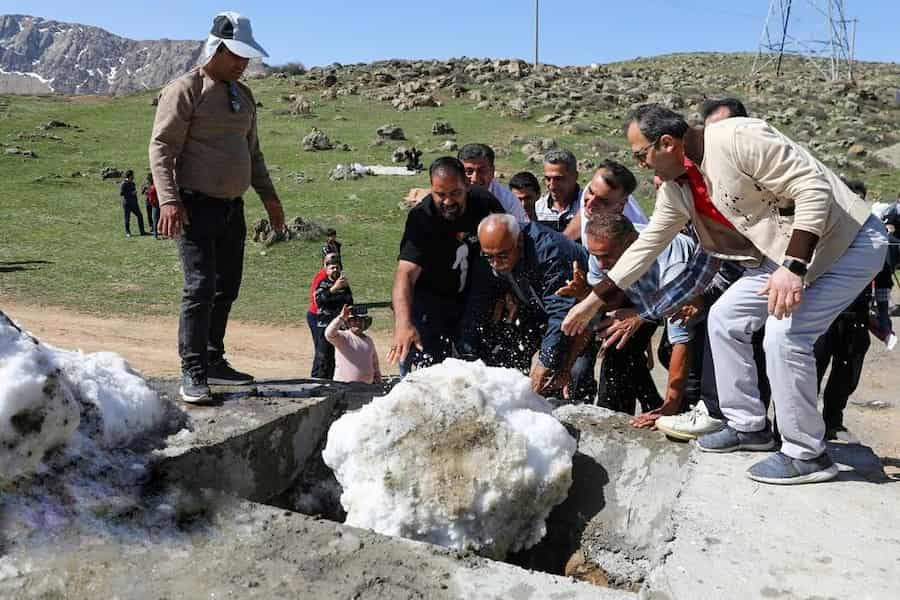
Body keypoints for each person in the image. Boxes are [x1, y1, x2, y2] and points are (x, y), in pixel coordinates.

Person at [563, 104, 887, 485]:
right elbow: (646, 244)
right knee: (725, 318)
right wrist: (594, 300)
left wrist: (794, 267)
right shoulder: (678, 187)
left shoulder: (738, 137)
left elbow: (812, 187)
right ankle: (748, 425)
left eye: (641, 154)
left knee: (787, 335)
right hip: (786, 258)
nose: (641, 165)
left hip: (848, 242)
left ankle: (807, 453)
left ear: (666, 143)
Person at [149, 11, 286, 403]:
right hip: (194, 206)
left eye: (247, 57)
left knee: (227, 287)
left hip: (232, 208)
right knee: (200, 287)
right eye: (238, 56)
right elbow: (161, 148)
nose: (244, 64)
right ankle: (192, 370)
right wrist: (170, 200)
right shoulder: (186, 89)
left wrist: (270, 199)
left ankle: (213, 359)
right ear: (218, 48)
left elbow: (253, 153)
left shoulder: (243, 95)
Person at [580, 213, 707, 424]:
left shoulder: (672, 263)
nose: (601, 264)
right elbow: (610, 300)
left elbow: (682, 340)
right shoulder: (601, 250)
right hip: (644, 300)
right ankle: (618, 418)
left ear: (632, 243)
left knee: (671, 356)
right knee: (617, 344)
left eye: (607, 257)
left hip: (694, 304)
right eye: (596, 256)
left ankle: (682, 415)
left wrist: (670, 406)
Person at [459, 213, 595, 400]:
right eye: (489, 257)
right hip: (537, 308)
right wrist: (467, 354)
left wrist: (545, 362)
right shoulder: (492, 250)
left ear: (520, 242)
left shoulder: (551, 252)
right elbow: (477, 302)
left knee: (572, 375)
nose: (496, 264)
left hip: (587, 312)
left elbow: (562, 314)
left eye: (503, 256)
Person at [387, 157, 505, 370]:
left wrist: (508, 293)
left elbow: (508, 248)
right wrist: (403, 324)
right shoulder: (422, 217)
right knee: (427, 364)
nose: (448, 201)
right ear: (431, 189)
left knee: (474, 360)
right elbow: (405, 273)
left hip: (471, 295)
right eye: (440, 194)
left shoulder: (484, 203)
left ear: (467, 185)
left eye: (455, 193)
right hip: (429, 299)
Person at [562, 160, 648, 242]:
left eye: (602, 201)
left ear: (620, 207)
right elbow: (582, 215)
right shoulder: (595, 189)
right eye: (591, 192)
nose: (589, 204)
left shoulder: (630, 239)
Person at [457, 143, 529, 223]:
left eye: (482, 171)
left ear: (492, 171)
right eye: (469, 171)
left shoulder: (508, 201)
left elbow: (521, 231)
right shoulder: (448, 195)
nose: (475, 179)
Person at [315, 254, 353, 379]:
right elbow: (319, 300)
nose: (335, 270)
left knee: (340, 357)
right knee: (325, 357)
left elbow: (349, 301)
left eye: (337, 267)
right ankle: (321, 382)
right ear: (327, 270)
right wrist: (334, 288)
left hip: (340, 327)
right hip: (325, 326)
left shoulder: (344, 285)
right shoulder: (323, 283)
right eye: (332, 268)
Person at [325, 304, 381, 384]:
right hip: (344, 386)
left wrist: (377, 377)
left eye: (361, 320)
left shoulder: (369, 340)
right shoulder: (343, 337)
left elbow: (374, 362)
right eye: (354, 320)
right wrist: (341, 318)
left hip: (367, 387)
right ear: (348, 323)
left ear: (366, 323)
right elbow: (329, 334)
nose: (357, 322)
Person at [534, 149, 581, 232]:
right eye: (548, 179)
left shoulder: (588, 207)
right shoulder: (538, 209)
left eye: (558, 179)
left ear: (575, 176)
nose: (552, 186)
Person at [307, 254, 332, 378]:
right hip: (317, 316)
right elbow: (316, 298)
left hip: (328, 317)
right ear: (324, 264)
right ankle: (317, 376)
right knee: (321, 348)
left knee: (329, 348)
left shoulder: (334, 277)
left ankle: (327, 375)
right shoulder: (322, 276)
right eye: (330, 261)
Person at [120, 170, 147, 238]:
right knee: (127, 218)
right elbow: (121, 193)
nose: (134, 176)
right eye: (133, 175)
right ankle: (128, 232)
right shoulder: (124, 183)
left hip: (134, 203)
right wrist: (131, 193)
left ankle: (142, 231)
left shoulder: (132, 183)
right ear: (130, 175)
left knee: (140, 216)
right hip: (127, 204)